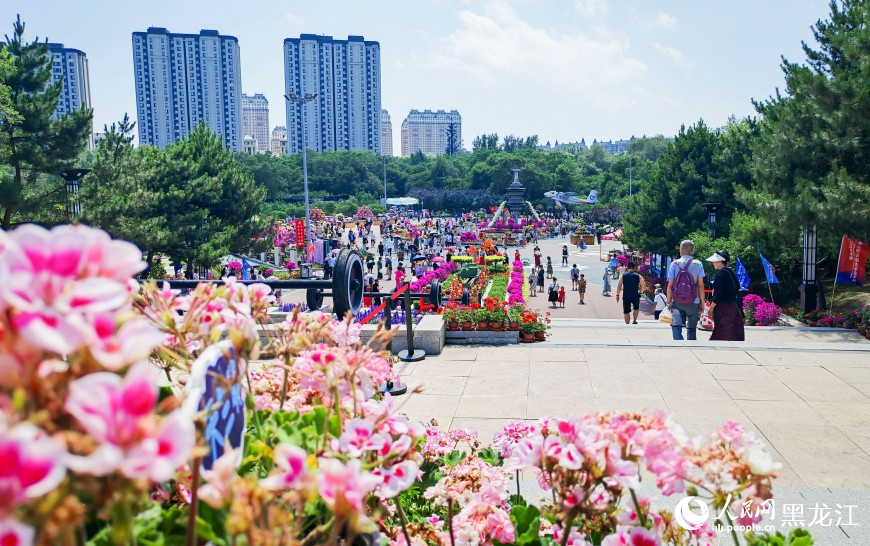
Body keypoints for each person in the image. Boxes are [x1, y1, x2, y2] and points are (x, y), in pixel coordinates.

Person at [666, 239, 706, 341]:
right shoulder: (698, 264)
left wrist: (668, 302)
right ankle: (691, 346)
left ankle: (679, 343)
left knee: (676, 325)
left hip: (677, 301)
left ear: (681, 249)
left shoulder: (674, 264)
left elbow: (670, 285)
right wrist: (702, 302)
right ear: (692, 250)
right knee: (692, 328)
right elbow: (701, 285)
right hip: (694, 301)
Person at [707, 250, 745, 341]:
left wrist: (711, 308)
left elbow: (718, 294)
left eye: (714, 261)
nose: (713, 263)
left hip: (723, 308)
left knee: (721, 330)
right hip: (732, 306)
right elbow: (737, 287)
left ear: (720, 261)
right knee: (732, 332)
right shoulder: (730, 271)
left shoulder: (721, 274)